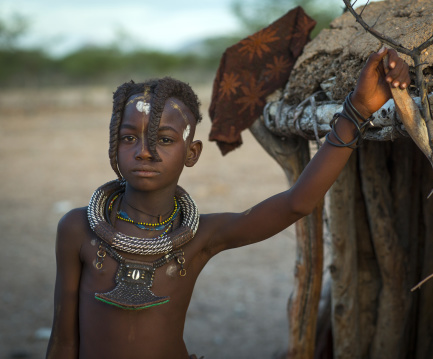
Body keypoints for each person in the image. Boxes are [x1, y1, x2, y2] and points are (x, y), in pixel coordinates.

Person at [46, 47, 410, 359]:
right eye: (129, 137)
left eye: (165, 139)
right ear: (114, 145)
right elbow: (63, 341)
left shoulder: (201, 236)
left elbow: (297, 204)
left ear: (192, 152)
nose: (144, 151)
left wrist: (357, 111)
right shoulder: (79, 229)